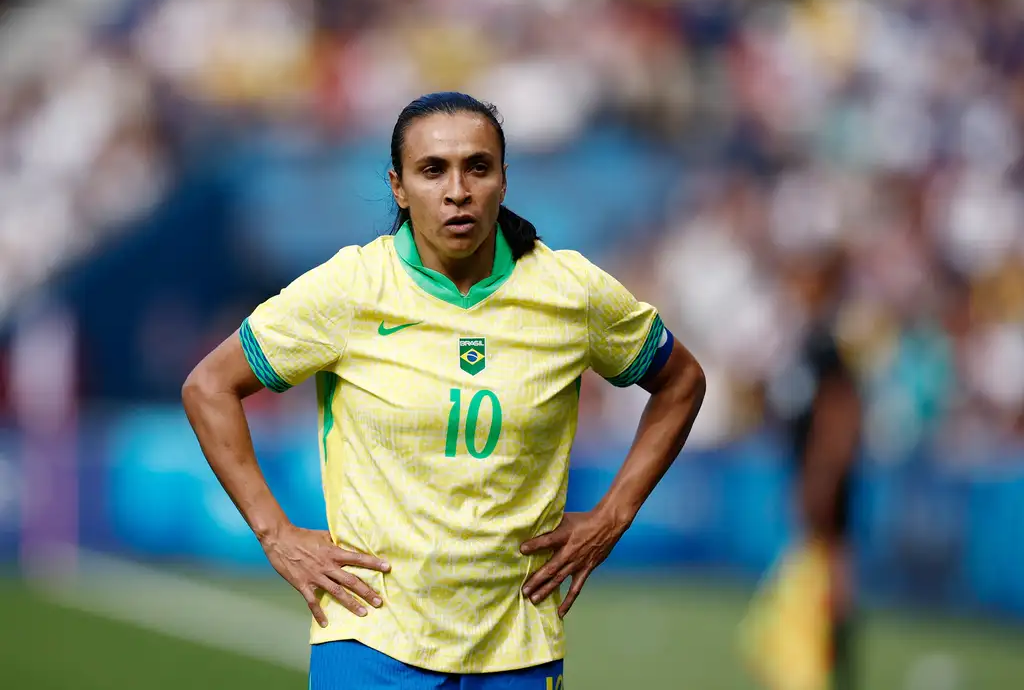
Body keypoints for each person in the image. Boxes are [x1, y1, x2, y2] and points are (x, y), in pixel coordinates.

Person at [181, 91, 706, 690]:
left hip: (517, 645)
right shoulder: (349, 289)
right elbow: (209, 386)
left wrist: (615, 515)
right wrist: (276, 535)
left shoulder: (570, 292)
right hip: (371, 638)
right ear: (398, 187)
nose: (457, 190)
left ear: (504, 180)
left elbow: (681, 381)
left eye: (477, 167)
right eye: (433, 170)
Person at [756, 251, 863, 690]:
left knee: (832, 572)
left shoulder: (824, 346)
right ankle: (824, 662)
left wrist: (820, 477)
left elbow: (839, 414)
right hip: (811, 473)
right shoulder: (805, 343)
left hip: (824, 479)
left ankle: (835, 667)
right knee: (821, 571)